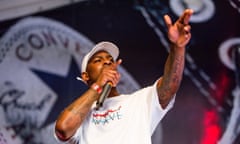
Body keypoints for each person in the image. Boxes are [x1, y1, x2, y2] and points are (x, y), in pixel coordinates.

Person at [54, 9, 194, 144]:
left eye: (110, 60)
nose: (107, 62)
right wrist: (98, 86)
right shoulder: (83, 113)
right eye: (98, 61)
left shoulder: (139, 101)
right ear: (85, 77)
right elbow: (63, 129)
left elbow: (170, 87)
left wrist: (177, 47)